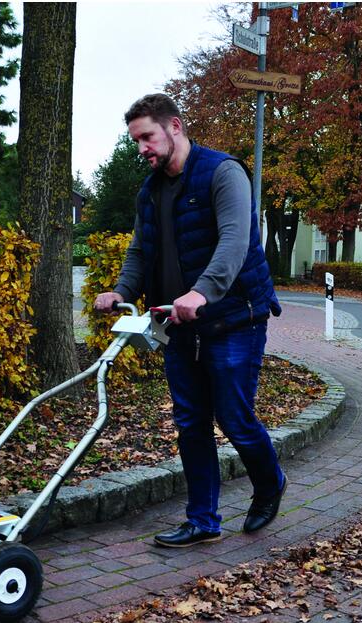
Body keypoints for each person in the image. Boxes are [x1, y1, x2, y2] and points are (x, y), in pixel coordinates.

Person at [93, 93, 285, 548]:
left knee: (234, 418)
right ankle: (203, 521)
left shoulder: (223, 173)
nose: (141, 147)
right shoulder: (150, 190)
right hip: (178, 324)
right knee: (190, 421)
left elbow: (236, 240)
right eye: (136, 140)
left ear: (174, 127)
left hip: (234, 318)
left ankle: (269, 482)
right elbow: (141, 250)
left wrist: (203, 291)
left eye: (147, 137)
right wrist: (122, 290)